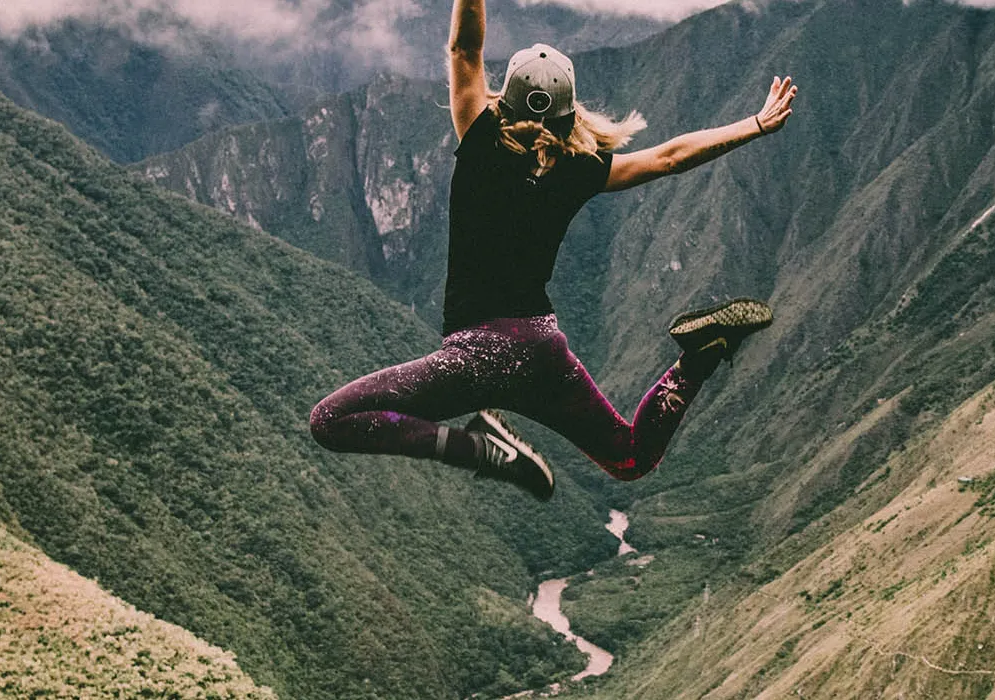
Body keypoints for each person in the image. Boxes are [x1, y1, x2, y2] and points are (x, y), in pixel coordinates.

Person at [308, 0, 799, 500]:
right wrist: (754, 124)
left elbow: (465, 48)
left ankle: (481, 451)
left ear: (504, 100)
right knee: (630, 456)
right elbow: (670, 158)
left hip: (477, 355)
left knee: (331, 420)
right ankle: (697, 359)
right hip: (541, 350)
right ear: (570, 114)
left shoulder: (479, 142)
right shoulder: (581, 169)